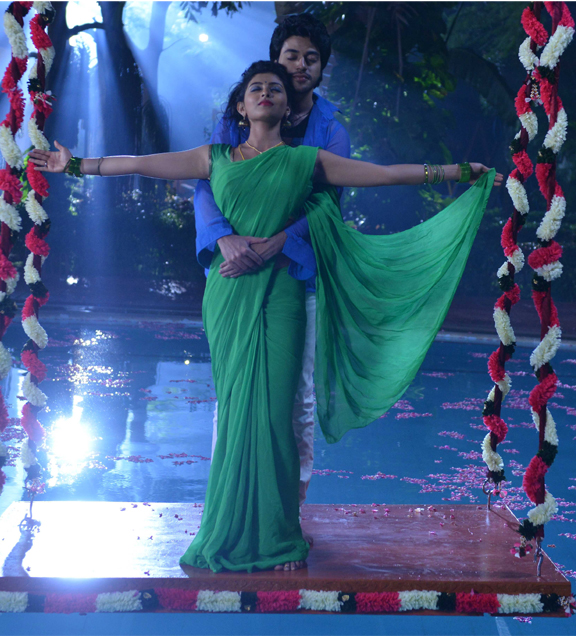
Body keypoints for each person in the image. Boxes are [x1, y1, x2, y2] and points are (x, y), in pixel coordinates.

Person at [29, 61, 503, 574]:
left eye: (275, 88)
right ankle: (227, 527)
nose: (265, 92)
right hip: (230, 292)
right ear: (241, 106)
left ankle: (278, 534)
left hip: (283, 294)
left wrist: (457, 172)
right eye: (255, 87)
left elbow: (383, 175)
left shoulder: (306, 160)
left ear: (285, 105)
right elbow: (142, 163)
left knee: (277, 414)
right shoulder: (213, 158)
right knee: (235, 410)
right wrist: (75, 165)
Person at [195, 13, 350, 516]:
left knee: (298, 394)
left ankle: (288, 505)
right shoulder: (240, 115)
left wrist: (282, 240)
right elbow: (208, 182)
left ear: (321, 69)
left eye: (311, 59)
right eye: (291, 56)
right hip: (235, 269)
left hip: (298, 273)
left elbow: (327, 204)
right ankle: (228, 503)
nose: (301, 65)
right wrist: (223, 238)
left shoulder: (330, 131)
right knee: (233, 388)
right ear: (275, 59)